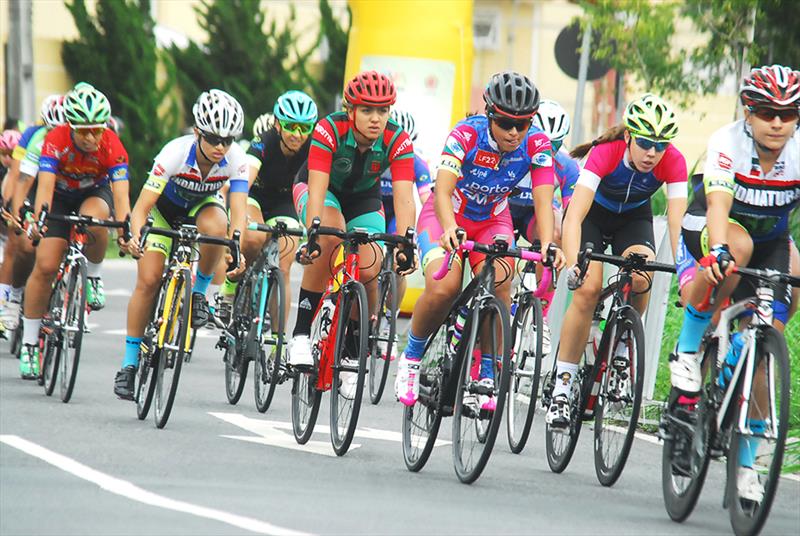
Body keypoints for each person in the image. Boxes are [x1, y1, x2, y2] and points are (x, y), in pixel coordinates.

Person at [394, 71, 565, 410]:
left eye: (523, 123)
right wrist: (448, 228)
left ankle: (486, 369)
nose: (515, 132)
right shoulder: (465, 135)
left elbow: (545, 201)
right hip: (446, 215)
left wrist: (547, 243)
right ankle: (411, 357)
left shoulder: (538, 144)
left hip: (492, 218)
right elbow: (442, 190)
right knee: (445, 286)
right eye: (505, 122)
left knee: (501, 279)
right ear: (489, 114)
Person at [669, 65, 799, 503]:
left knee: (767, 349)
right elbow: (720, 204)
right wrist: (718, 252)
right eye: (767, 112)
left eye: (789, 113)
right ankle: (688, 353)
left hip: (771, 240)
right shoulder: (728, 142)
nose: (778, 122)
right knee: (736, 251)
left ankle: (747, 466)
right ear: (749, 111)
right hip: (715, 225)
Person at [546, 93, 688, 428]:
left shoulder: (674, 161)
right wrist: (572, 264)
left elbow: (677, 223)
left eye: (660, 145)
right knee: (588, 288)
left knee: (642, 277)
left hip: (632, 218)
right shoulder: (605, 153)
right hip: (593, 216)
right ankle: (562, 388)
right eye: (644, 143)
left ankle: (622, 351)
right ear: (628, 137)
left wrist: (687, 272)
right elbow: (574, 216)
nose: (652, 153)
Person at [289, 70, 417, 399]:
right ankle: (301, 333)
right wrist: (314, 231)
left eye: (383, 111)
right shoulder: (329, 129)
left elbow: (404, 197)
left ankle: (350, 348)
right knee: (331, 237)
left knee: (371, 264)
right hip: (321, 189)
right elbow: (317, 186)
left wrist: (406, 241)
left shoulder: (397, 138)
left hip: (363, 197)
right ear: (350, 110)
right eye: (367, 110)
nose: (376, 119)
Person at [113, 89, 248, 399]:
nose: (220, 147)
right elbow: (142, 208)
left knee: (219, 226)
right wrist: (136, 237)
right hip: (163, 213)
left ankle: (199, 294)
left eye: (227, 141)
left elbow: (238, 210)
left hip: (202, 207)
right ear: (198, 131)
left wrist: (236, 247)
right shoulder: (174, 152)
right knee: (148, 281)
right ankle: (129, 365)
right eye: (213, 138)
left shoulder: (235, 159)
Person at [20, 83, 132, 379]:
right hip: (58, 195)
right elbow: (43, 188)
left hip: (93, 194)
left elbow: (121, 198)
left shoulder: (112, 145)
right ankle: (30, 343)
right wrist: (39, 221)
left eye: (97, 129)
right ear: (71, 126)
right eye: (84, 131)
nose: (91, 137)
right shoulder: (55, 140)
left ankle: (93, 275)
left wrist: (126, 232)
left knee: (95, 221)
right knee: (45, 266)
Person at [217, 90, 317, 325]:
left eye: (304, 128)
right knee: (253, 238)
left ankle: (276, 342)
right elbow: (244, 184)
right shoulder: (264, 142)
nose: (297, 134)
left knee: (284, 266)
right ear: (277, 124)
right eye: (291, 126)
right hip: (256, 197)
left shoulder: (314, 148)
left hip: (286, 203)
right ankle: (230, 287)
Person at [508, 99, 580, 353]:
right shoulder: (511, 152)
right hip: (503, 210)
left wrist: (573, 261)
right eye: (542, 141)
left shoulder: (566, 166)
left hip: (535, 216)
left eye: (556, 144)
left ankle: (542, 316)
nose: (547, 150)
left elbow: (573, 215)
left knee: (558, 231)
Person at [0, 95, 66, 332]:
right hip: (32, 183)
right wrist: (12, 208)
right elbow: (18, 176)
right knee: (20, 245)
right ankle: (9, 299)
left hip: (59, 189)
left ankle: (47, 305)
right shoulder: (33, 136)